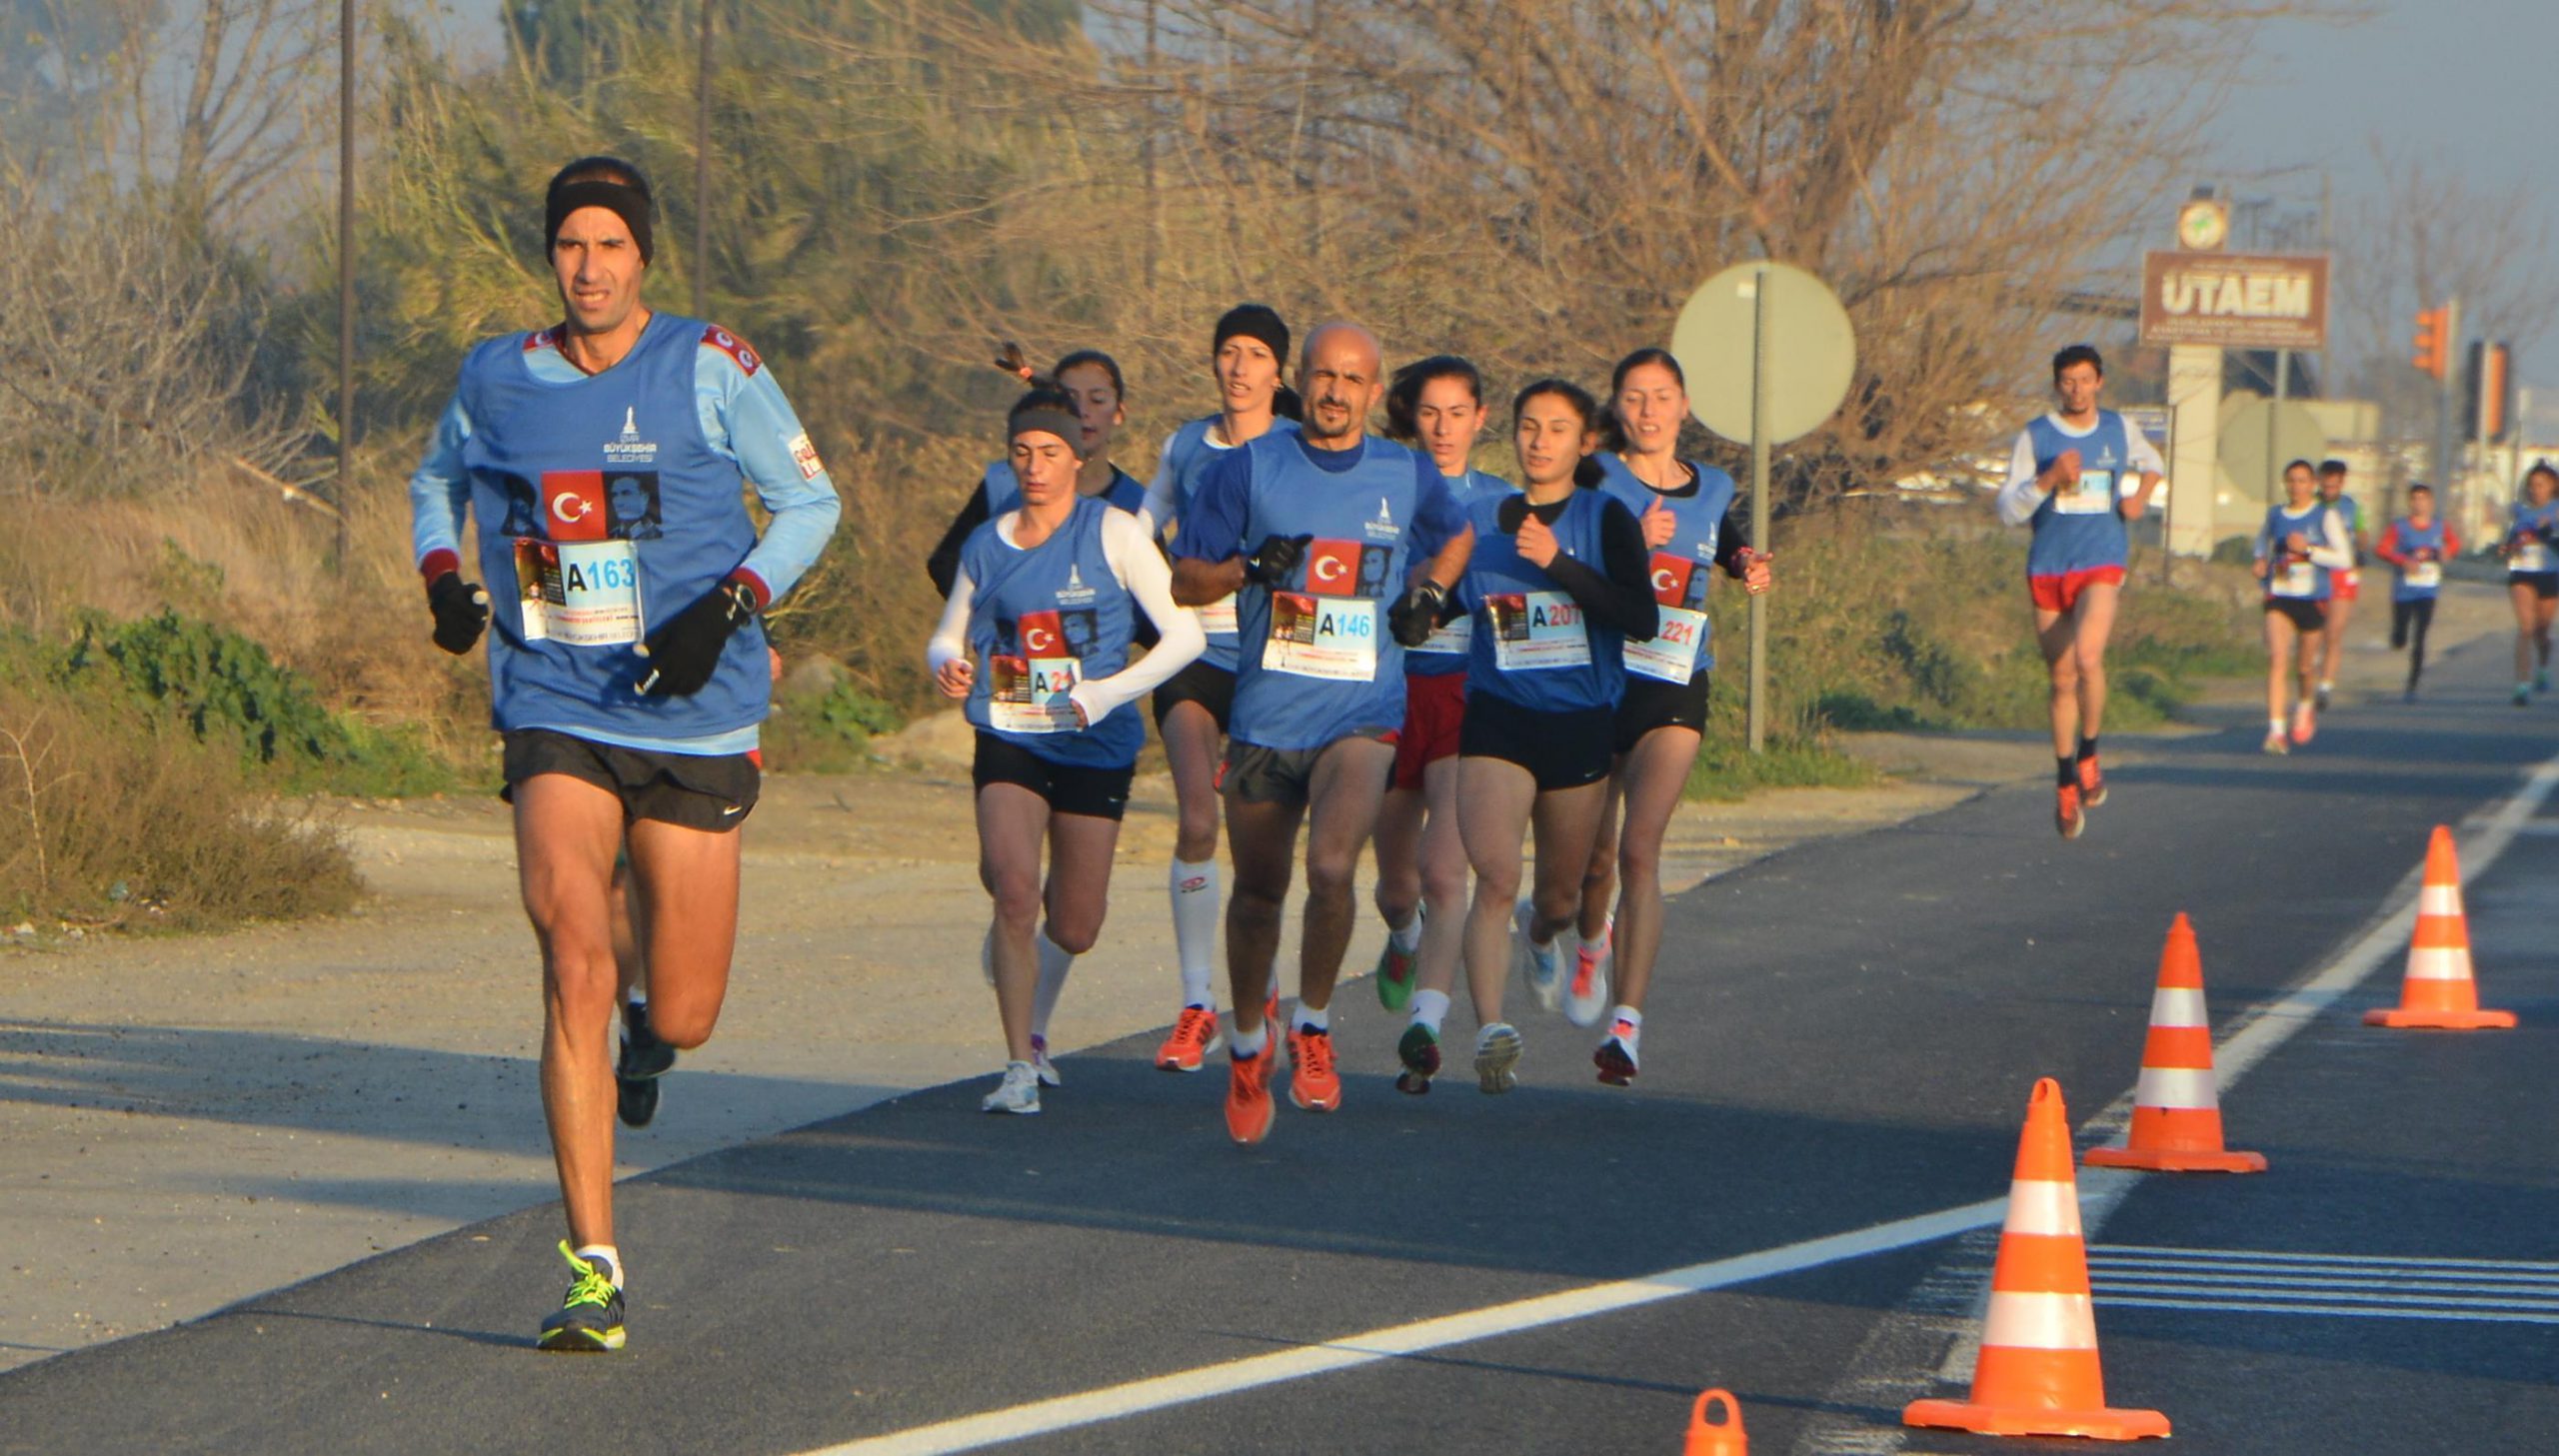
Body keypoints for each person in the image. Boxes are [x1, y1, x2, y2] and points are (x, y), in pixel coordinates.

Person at [407, 156, 840, 1351]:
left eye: (609, 245)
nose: (589, 267)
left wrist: (728, 604)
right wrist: (444, 574)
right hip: (554, 697)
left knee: (684, 1008)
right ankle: (593, 1264)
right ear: (549, 255)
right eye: (569, 245)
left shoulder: (710, 364)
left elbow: (812, 506)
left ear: (642, 256)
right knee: (571, 956)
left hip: (694, 714)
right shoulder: (499, 374)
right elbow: (435, 478)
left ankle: (654, 1032)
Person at [1172, 322, 1472, 1145]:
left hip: (1361, 712)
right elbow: (1183, 576)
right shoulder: (1247, 467)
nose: (1336, 391)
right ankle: (1245, 1043)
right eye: (1323, 376)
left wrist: (1431, 594)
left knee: (1334, 865)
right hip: (1267, 718)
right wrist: (1244, 571)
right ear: (1297, 382)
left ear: (1377, 394)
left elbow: (1457, 535)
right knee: (1259, 895)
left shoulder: (1404, 470)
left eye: (1353, 379)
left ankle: (1311, 1025)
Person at [927, 390, 1206, 1114]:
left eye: (1050, 453)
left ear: (1078, 460)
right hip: (1012, 731)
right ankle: (1021, 1062)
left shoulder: (1114, 531)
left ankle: (1020, 949)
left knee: (1075, 922)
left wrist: (1110, 693)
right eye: (1022, 453)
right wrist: (947, 661)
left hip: (1096, 739)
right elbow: (948, 629)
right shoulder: (989, 542)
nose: (1035, 466)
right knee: (1017, 891)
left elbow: (1186, 638)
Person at [1410, 380, 1655, 1094]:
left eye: (1557, 428)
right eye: (1527, 426)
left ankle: (1545, 935)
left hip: (1579, 723)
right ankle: (1492, 1031)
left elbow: (1637, 615)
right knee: (1494, 875)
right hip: (1497, 716)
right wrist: (1419, 607)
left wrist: (1556, 563)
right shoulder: (1478, 517)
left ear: (1584, 443)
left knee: (1555, 896)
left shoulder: (1605, 518)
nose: (1539, 440)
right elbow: (1443, 595)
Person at [1571, 350, 1773, 1086]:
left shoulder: (1714, 485)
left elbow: (1728, 543)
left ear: (1685, 405)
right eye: (1634, 397)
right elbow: (1564, 556)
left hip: (1676, 680)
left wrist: (1749, 562)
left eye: (1662, 397)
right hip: (1603, 679)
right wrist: (1631, 543)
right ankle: (1590, 937)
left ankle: (1626, 1027)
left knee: (1639, 851)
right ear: (1618, 408)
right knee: (1594, 858)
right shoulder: (1596, 477)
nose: (1649, 410)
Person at [1139, 305, 1302, 1073]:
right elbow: (1138, 534)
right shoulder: (1185, 446)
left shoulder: (1300, 450)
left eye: (1255, 355)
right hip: (1195, 650)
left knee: (1256, 839)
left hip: (1273, 658)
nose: (1239, 367)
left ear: (1279, 372)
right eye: (1228, 352)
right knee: (1198, 817)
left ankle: (1260, 981)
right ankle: (1198, 999)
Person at [1364, 357, 1511, 1085]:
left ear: (1481, 418)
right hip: (1391, 695)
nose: (1444, 427)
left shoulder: (1503, 501)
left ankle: (1426, 1026)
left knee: (1443, 868)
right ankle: (1402, 935)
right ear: (1410, 418)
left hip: (1467, 696)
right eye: (1430, 413)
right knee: (1397, 888)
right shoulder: (1386, 486)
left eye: (1458, 412)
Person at [1994, 344, 2165, 838]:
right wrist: (2048, 479)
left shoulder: (2118, 428)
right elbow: (2008, 510)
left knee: (2088, 658)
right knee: (2062, 679)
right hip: (2048, 564)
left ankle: (2090, 752)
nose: (2076, 389)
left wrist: (2139, 497)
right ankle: (2066, 776)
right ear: (2056, 385)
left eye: (2085, 380)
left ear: (2100, 382)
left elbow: (2152, 462)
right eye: (2067, 381)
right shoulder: (2037, 436)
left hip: (2101, 560)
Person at [926, 349, 1149, 597]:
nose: (1083, 411)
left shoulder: (1137, 502)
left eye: (1097, 400)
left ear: (1119, 413)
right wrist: (998, 614)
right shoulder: (1004, 483)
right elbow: (946, 563)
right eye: (1070, 399)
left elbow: (1159, 607)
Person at [2252, 459, 2352, 753]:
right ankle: (2276, 732)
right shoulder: (2275, 515)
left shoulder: (2324, 515)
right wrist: (2259, 559)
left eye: (2302, 481)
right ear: (2286, 484)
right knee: (2278, 659)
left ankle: (2305, 705)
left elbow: (2343, 559)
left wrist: (2308, 550)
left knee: (2305, 666)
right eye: (2291, 481)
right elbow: (2261, 541)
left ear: (2313, 485)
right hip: (2280, 594)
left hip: (2312, 598)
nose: (2296, 487)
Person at [2374, 484, 2457, 703]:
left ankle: (2412, 684)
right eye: (2415, 499)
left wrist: (2447, 552)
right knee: (2401, 635)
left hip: (2428, 590)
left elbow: (2453, 544)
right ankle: (2398, 635)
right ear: (2410, 503)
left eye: (2423, 499)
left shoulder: (2440, 527)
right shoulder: (2399, 527)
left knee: (2420, 636)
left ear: (2430, 503)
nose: (2419, 503)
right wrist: (2403, 561)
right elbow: (2382, 549)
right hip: (2403, 590)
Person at [2500, 462, 2559, 707]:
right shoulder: (2520, 511)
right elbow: (2512, 540)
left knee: (2541, 631)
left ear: (2553, 486)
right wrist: (2506, 548)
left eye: (2541, 485)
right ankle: (2521, 686)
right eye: (2532, 485)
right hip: (2522, 572)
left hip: (2549, 573)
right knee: (2525, 628)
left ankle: (2543, 668)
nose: (2535, 490)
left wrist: (2546, 533)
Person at [2312, 460, 2366, 711]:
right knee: (2315, 630)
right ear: (2320, 481)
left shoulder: (2350, 506)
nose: (2330, 488)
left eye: (2335, 484)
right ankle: (2310, 672)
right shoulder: (2312, 505)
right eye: (2326, 483)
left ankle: (2325, 686)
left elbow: (2361, 532)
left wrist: (2361, 552)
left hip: (2343, 573)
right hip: (2315, 571)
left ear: (2342, 482)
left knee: (2334, 631)